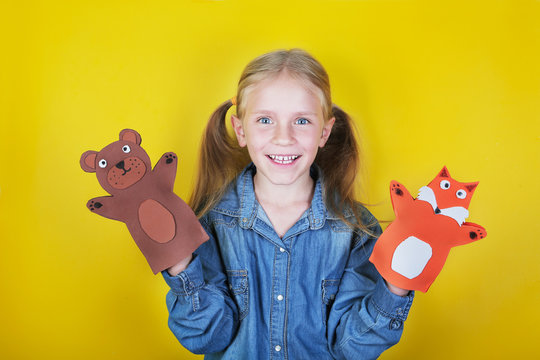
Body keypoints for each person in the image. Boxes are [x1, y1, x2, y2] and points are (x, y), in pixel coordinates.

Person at [162, 48, 414, 359]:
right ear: (241, 130)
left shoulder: (356, 228)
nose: (284, 137)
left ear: (324, 132)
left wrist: (397, 285)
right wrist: (181, 264)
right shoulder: (210, 222)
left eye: (302, 121)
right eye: (265, 119)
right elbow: (206, 339)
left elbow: (353, 348)